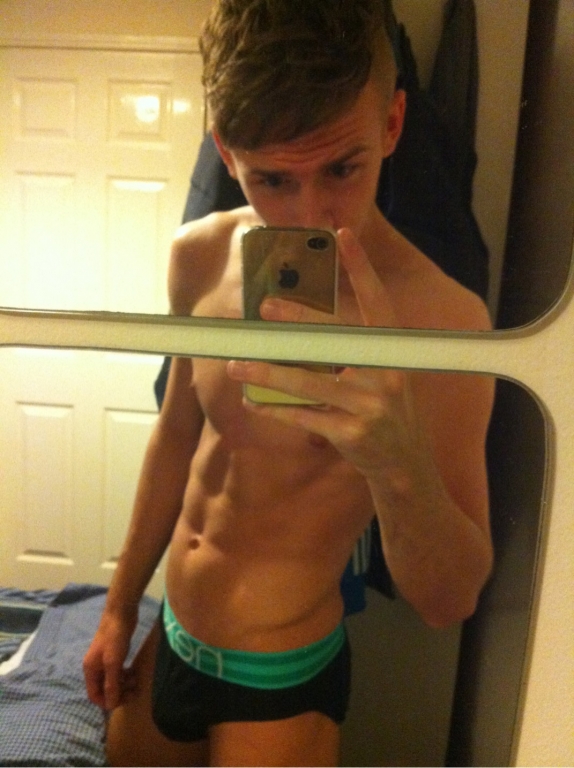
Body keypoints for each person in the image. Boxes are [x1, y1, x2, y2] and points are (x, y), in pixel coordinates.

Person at [83, 1, 495, 765]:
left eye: (341, 168)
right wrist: (118, 610)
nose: (312, 214)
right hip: (171, 636)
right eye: (272, 178)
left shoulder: (445, 320)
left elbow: (451, 601)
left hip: (280, 682)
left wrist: (396, 462)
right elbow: (176, 438)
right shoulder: (199, 256)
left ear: (393, 125)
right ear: (225, 151)